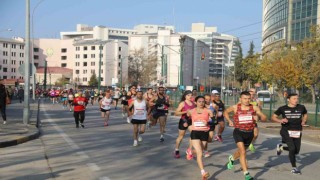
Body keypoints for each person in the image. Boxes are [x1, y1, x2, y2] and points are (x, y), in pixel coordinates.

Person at [224, 91, 267, 180]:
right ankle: (246, 174)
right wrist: (229, 121)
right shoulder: (236, 107)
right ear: (240, 99)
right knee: (243, 152)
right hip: (238, 132)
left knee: (240, 152)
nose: (247, 100)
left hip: (249, 133)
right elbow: (225, 112)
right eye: (245, 98)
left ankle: (232, 158)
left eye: (248, 99)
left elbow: (264, 117)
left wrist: (259, 117)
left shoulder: (254, 107)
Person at [272, 93, 307, 175]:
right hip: (286, 131)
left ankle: (281, 147)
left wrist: (304, 120)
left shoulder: (301, 107)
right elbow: (273, 117)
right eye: (294, 98)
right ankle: (294, 168)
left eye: (297, 98)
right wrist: (280, 121)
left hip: (297, 131)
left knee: (296, 151)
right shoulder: (282, 108)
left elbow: (305, 114)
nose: (296, 100)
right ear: (288, 99)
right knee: (292, 148)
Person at [186, 95, 214, 180]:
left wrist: (207, 122)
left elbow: (213, 121)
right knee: (200, 153)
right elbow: (187, 119)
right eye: (199, 101)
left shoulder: (208, 111)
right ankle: (203, 172)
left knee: (200, 151)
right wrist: (187, 124)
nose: (201, 103)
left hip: (204, 132)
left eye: (203, 101)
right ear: (196, 102)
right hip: (195, 133)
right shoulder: (191, 111)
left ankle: (190, 151)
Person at [174, 90, 195, 159]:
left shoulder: (193, 103)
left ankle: (189, 149)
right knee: (181, 137)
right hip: (183, 121)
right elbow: (176, 113)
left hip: (191, 121)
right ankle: (177, 150)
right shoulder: (182, 103)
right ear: (185, 96)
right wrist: (186, 111)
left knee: (193, 134)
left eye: (191, 95)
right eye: (188, 95)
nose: (190, 96)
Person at [248, 88, 262, 153]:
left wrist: (259, 106)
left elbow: (260, 109)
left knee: (255, 135)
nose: (253, 93)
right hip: (246, 120)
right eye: (251, 92)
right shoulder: (245, 100)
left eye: (254, 92)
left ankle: (251, 144)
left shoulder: (257, 100)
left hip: (254, 120)